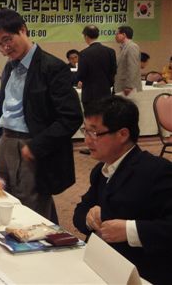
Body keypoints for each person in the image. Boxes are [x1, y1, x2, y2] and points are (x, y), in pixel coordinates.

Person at [0, 9, 82, 222]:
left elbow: (71, 117)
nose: (4, 48)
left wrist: (37, 146)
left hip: (31, 144)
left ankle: (44, 241)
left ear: (23, 30)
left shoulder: (52, 67)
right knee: (7, 200)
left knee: (33, 207)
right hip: (5, 141)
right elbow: (14, 101)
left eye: (7, 39)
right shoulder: (10, 66)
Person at [73, 96, 172, 285]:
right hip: (102, 266)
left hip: (140, 274)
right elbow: (79, 211)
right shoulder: (101, 170)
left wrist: (129, 231)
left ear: (123, 134)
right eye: (85, 131)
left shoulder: (157, 171)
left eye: (94, 133)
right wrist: (89, 217)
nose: (87, 140)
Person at [77, 25, 117, 110]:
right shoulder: (110, 51)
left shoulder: (84, 53)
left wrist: (79, 81)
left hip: (89, 94)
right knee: (105, 116)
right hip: (106, 92)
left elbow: (81, 74)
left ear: (86, 36)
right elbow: (114, 71)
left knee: (91, 117)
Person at [114, 26, 142, 96]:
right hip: (122, 87)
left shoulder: (132, 47)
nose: (115, 36)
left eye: (117, 34)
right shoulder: (124, 47)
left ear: (124, 35)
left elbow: (133, 67)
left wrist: (129, 86)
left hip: (128, 89)